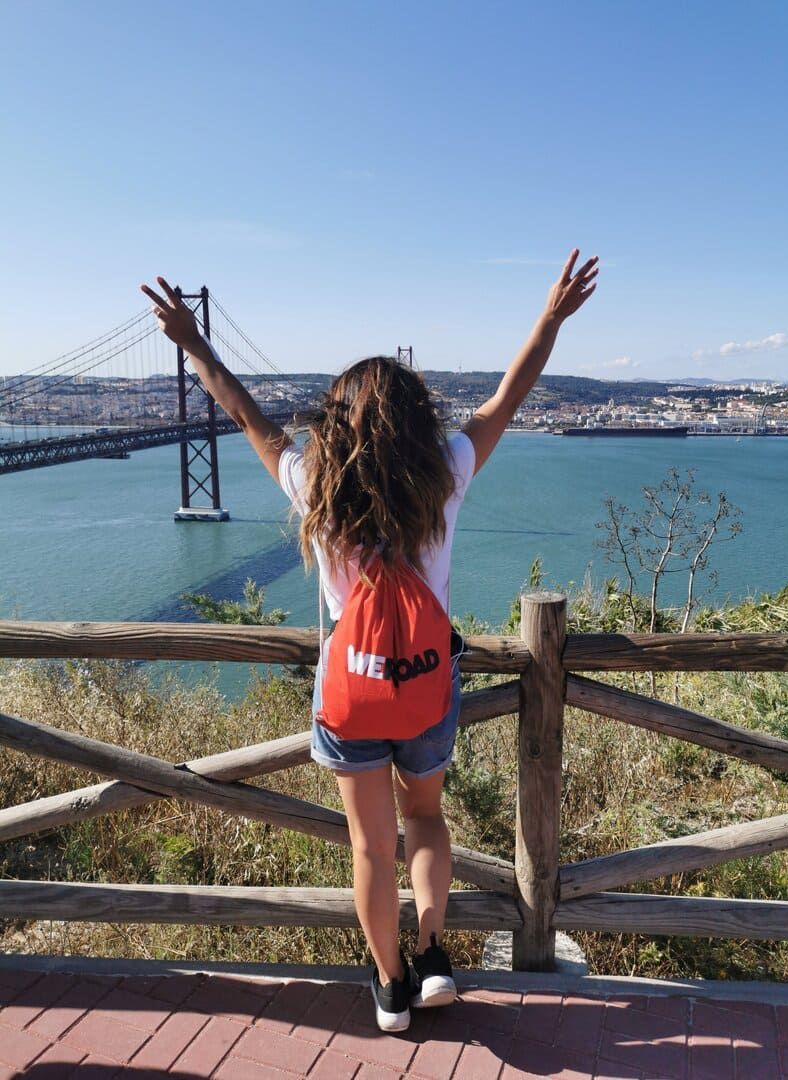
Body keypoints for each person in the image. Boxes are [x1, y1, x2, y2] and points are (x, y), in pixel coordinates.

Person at [140, 248, 597, 1031]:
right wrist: (550, 319)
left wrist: (193, 343)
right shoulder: (447, 473)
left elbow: (245, 414)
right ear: (415, 420)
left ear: (336, 421)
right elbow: (506, 397)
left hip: (350, 693)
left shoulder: (314, 485)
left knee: (369, 846)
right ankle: (433, 958)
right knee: (424, 820)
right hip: (425, 687)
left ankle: (389, 987)